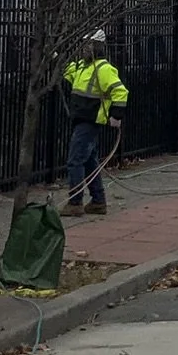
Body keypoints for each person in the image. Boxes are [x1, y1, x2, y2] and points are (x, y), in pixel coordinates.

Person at [61, 30, 128, 216]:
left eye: (89, 45)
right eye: (84, 45)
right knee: (90, 161)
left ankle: (75, 203)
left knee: (75, 161)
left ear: (98, 47)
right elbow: (69, 72)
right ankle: (98, 201)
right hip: (82, 119)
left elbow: (121, 92)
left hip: (89, 121)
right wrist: (54, 57)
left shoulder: (104, 69)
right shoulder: (83, 67)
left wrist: (116, 115)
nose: (85, 49)